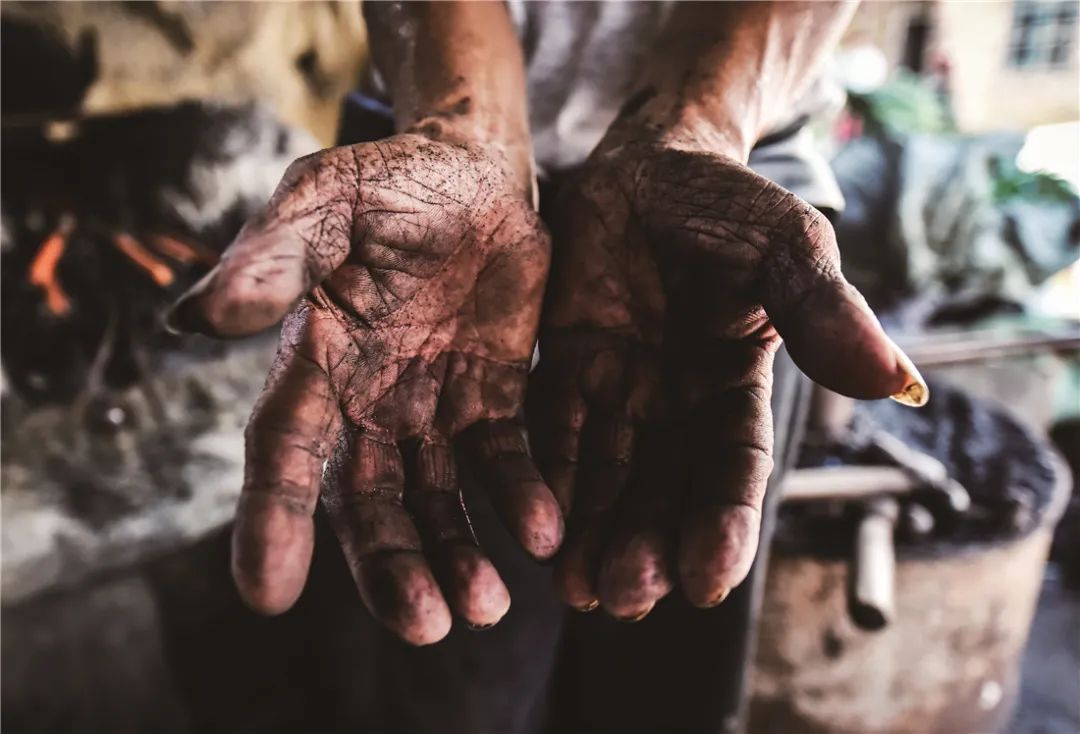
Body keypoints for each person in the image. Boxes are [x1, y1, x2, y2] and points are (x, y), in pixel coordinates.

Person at [168, 2, 927, 731]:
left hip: (716, 231)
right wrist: (469, 131)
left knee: (667, 671)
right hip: (432, 215)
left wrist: (696, 128)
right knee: (450, 687)